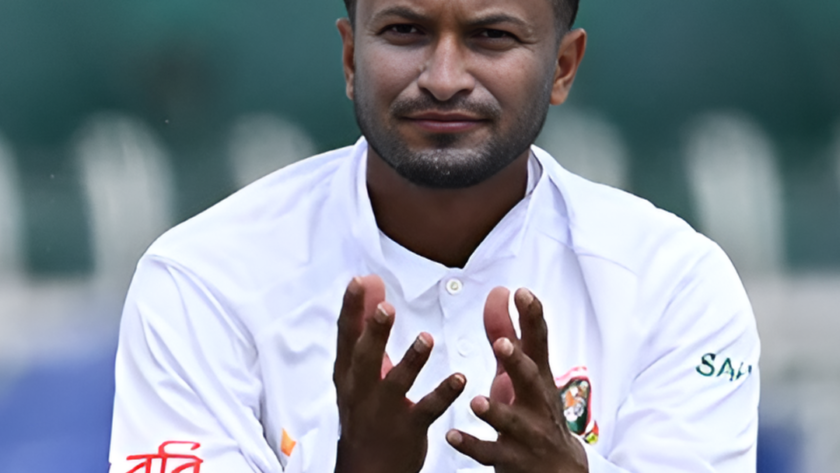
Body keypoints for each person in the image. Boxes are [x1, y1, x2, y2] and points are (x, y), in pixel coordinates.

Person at [108, 0, 760, 471]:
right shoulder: (202, 278)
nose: (444, 78)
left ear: (563, 67)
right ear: (349, 56)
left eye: (492, 36)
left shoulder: (675, 284)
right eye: (405, 31)